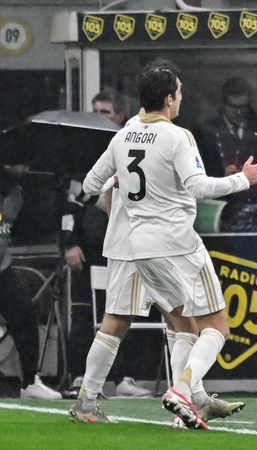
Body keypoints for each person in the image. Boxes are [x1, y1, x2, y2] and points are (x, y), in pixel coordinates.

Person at [82, 58, 257, 429]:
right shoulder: (177, 136)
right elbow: (199, 187)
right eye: (179, 92)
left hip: (134, 245)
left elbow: (90, 185)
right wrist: (243, 180)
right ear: (168, 98)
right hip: (177, 245)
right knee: (213, 327)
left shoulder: (124, 134)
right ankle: (183, 393)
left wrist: (119, 181)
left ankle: (185, 401)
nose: (182, 97)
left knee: (170, 324)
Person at [69, 181, 244, 425]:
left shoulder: (121, 154)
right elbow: (198, 185)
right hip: (161, 244)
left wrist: (115, 221)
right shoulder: (169, 154)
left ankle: (86, 403)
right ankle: (185, 399)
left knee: (117, 323)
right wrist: (242, 179)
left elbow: (97, 183)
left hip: (125, 247)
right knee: (193, 326)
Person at [63, 90, 152, 399]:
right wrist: (70, 243)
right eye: (95, 111)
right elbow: (70, 204)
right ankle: (80, 377)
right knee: (83, 315)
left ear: (120, 116)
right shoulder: (82, 153)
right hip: (88, 250)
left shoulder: (133, 148)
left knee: (123, 312)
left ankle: (124, 378)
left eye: (105, 112)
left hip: (123, 247)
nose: (98, 117)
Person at [0, 165, 62, 400]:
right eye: (18, 164)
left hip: (2, 267)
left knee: (25, 312)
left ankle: (29, 382)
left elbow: (21, 222)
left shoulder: (13, 193)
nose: (24, 169)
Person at [195, 76, 257, 223]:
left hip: (256, 206)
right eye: (234, 107)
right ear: (224, 104)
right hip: (219, 208)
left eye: (243, 107)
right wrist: (221, 175)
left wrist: (255, 181)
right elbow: (195, 175)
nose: (238, 112)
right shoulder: (205, 133)